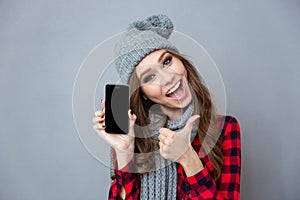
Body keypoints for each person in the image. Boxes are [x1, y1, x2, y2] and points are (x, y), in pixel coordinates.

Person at [93, 14, 241, 200]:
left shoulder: (225, 129)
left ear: (181, 61)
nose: (168, 78)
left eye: (167, 61)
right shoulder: (133, 134)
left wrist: (188, 158)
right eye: (150, 77)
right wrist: (124, 151)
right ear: (142, 92)